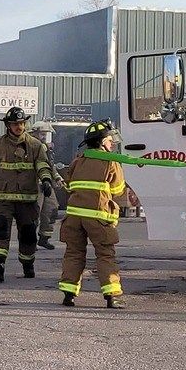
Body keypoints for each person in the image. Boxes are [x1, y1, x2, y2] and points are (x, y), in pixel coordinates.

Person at [58, 120, 140, 308]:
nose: (112, 144)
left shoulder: (78, 160)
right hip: (98, 217)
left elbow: (69, 185)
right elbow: (118, 190)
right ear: (103, 142)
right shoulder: (111, 161)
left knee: (73, 253)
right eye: (110, 140)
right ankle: (112, 296)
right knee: (105, 255)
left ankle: (68, 294)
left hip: (74, 217)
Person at [0, 105, 50, 281]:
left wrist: (46, 180)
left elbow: (42, 165)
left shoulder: (35, 145)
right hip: (2, 199)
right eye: (15, 124)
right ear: (8, 125)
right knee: (0, 229)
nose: (19, 127)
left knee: (28, 233)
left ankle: (27, 263)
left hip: (27, 199)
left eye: (22, 123)